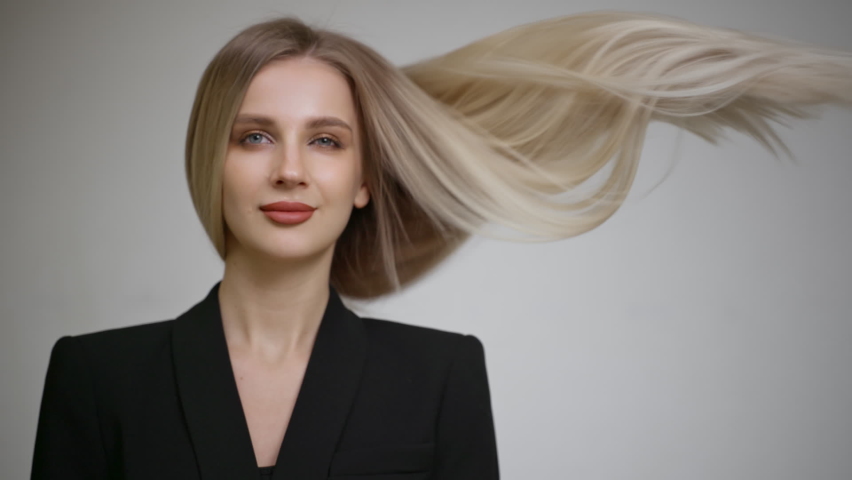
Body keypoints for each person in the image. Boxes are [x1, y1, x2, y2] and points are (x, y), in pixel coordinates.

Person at [30, 11, 851, 480]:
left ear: (364, 180)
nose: (288, 171)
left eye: (325, 141)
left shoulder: (440, 375)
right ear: (211, 160)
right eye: (254, 137)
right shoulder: (97, 379)